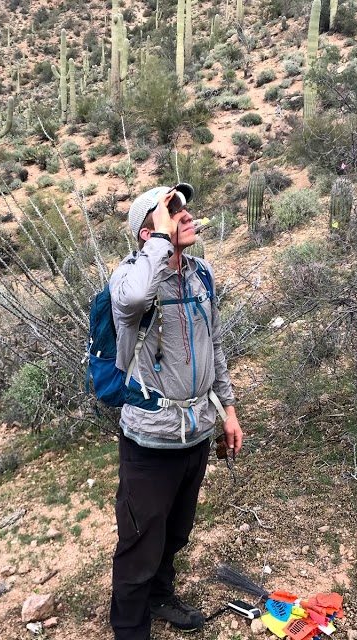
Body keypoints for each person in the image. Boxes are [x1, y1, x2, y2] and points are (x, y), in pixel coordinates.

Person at [109, 183, 243, 640]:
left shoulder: (201, 273)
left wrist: (228, 408)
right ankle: (130, 629)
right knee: (139, 543)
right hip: (149, 438)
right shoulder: (129, 278)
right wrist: (160, 243)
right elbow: (130, 303)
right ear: (148, 234)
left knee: (176, 530)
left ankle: (161, 596)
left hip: (196, 432)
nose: (186, 217)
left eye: (184, 209)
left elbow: (216, 346)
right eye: (171, 213)